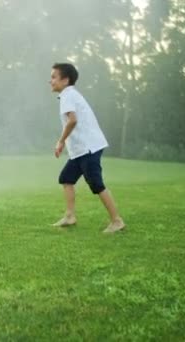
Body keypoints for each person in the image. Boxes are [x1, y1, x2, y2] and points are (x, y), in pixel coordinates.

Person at [49, 62, 125, 233]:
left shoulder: (68, 95)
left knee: (96, 184)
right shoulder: (69, 94)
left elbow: (73, 120)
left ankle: (117, 221)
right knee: (66, 178)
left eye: (54, 77)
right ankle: (70, 216)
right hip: (80, 150)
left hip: (89, 147)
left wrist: (60, 141)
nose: (50, 81)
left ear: (65, 80)